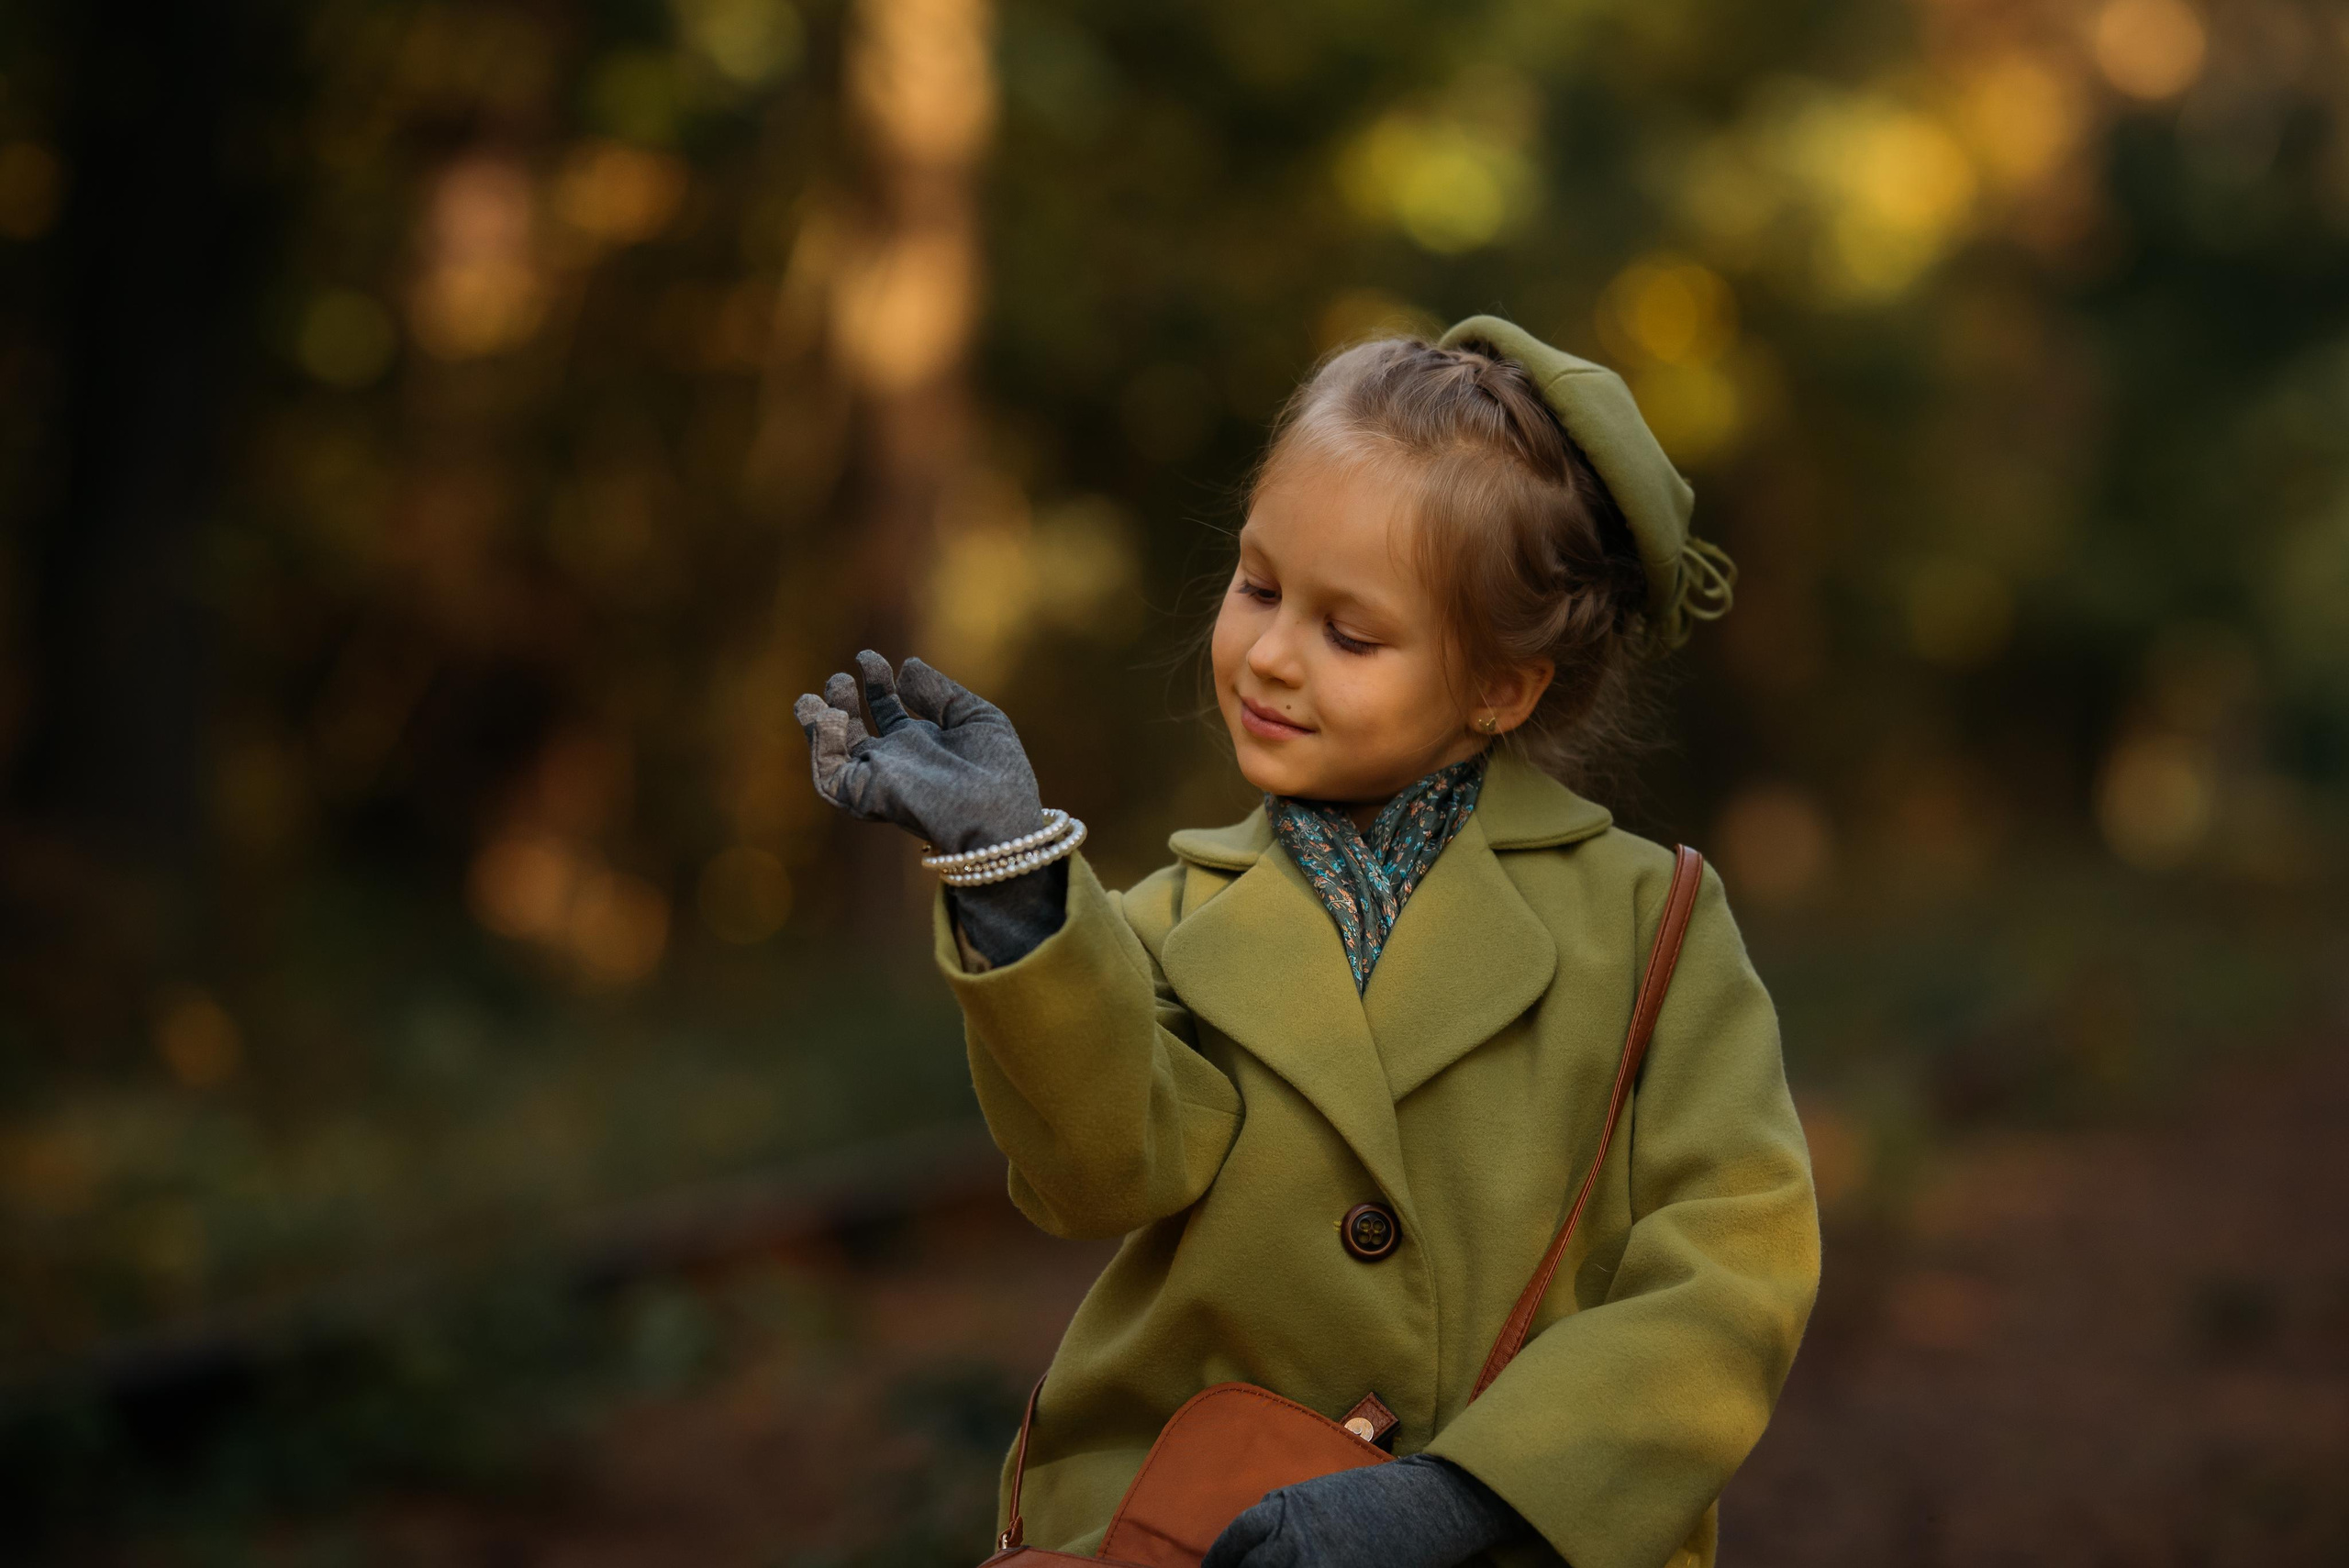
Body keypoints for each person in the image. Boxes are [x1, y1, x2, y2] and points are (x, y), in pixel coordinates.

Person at [795, 317, 1820, 1568]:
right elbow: (1098, 1174)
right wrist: (1013, 871)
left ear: (1503, 685)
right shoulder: (1165, 920)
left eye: (1350, 632)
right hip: (1183, 1531)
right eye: (1258, 586)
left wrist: (1468, 1496)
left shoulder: (1651, 924)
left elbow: (1729, 1273)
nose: (1271, 656)